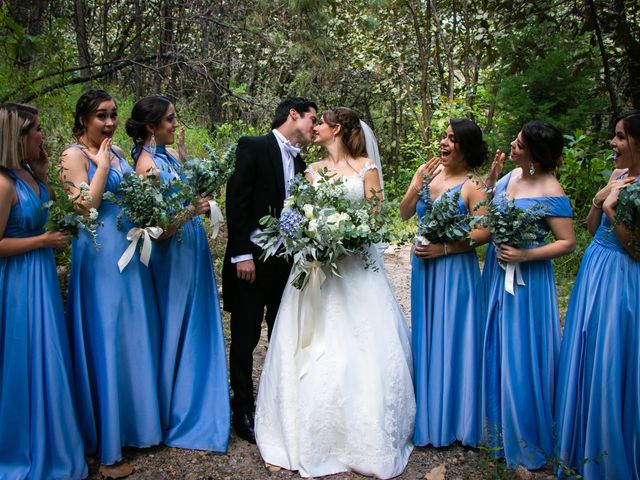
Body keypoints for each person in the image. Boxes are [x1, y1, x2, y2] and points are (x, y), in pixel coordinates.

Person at [254, 107, 415, 478]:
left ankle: (363, 437)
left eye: (321, 123)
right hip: (316, 271)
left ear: (336, 128)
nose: (315, 129)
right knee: (312, 344)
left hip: (356, 271)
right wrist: (310, 240)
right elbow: (296, 214)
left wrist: (346, 239)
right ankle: (303, 433)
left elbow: (376, 221)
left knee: (360, 348)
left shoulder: (366, 169)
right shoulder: (310, 172)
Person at [61, 90, 162, 473]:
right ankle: (107, 447)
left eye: (113, 115)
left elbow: (131, 197)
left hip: (130, 253)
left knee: (131, 336)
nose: (109, 123)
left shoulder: (118, 151)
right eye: (101, 116)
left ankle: (135, 427)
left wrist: (148, 188)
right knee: (106, 336)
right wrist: (100, 168)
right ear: (83, 119)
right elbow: (83, 208)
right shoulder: (74, 155)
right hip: (100, 255)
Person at [128, 95, 230, 453]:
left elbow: (184, 192)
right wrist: (192, 210)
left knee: (195, 324)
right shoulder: (145, 166)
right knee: (177, 326)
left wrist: (191, 169)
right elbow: (158, 228)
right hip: (172, 256)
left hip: (192, 249)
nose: (175, 125)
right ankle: (177, 412)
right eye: (169, 120)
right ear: (151, 126)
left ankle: (197, 401)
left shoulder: (166, 156)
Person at [480, 121, 575, 470]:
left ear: (534, 152)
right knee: (498, 342)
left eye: (519, 144)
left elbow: (567, 242)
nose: (512, 146)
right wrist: (491, 180)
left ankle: (527, 433)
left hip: (528, 278)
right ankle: (498, 429)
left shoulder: (551, 188)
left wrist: (524, 255)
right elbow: (490, 211)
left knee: (523, 349)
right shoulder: (511, 179)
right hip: (497, 268)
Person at [223, 97, 318, 443]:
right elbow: (236, 201)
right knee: (245, 339)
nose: (315, 126)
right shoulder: (253, 146)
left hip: (286, 265)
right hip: (252, 263)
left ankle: (277, 405)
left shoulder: (301, 159)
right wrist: (241, 255)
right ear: (294, 114)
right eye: (312, 118)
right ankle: (243, 409)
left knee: (282, 336)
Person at [0, 103, 87, 479]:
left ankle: (53, 439)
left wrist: (42, 173)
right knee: (24, 356)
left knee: (48, 352)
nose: (42, 134)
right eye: (35, 129)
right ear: (17, 136)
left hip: (42, 276)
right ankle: (21, 445)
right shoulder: (3, 184)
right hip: (18, 280)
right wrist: (42, 240)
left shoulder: (29, 175)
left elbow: (47, 205)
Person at [555, 110, 640, 479]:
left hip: (622, 274)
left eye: (620, 137)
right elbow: (592, 230)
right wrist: (597, 201)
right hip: (595, 268)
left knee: (610, 355)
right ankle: (579, 444)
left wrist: (611, 209)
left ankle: (607, 451)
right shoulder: (618, 175)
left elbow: (637, 248)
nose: (613, 143)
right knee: (587, 349)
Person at [399, 119, 491, 447]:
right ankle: (428, 414)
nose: (444, 143)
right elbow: (405, 213)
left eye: (452, 139)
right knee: (427, 334)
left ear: (465, 147)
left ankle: (455, 419)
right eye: (444, 136)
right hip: (425, 269)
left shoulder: (472, 185)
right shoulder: (431, 175)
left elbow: (484, 231)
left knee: (453, 337)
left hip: (454, 270)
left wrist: (445, 247)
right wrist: (416, 182)